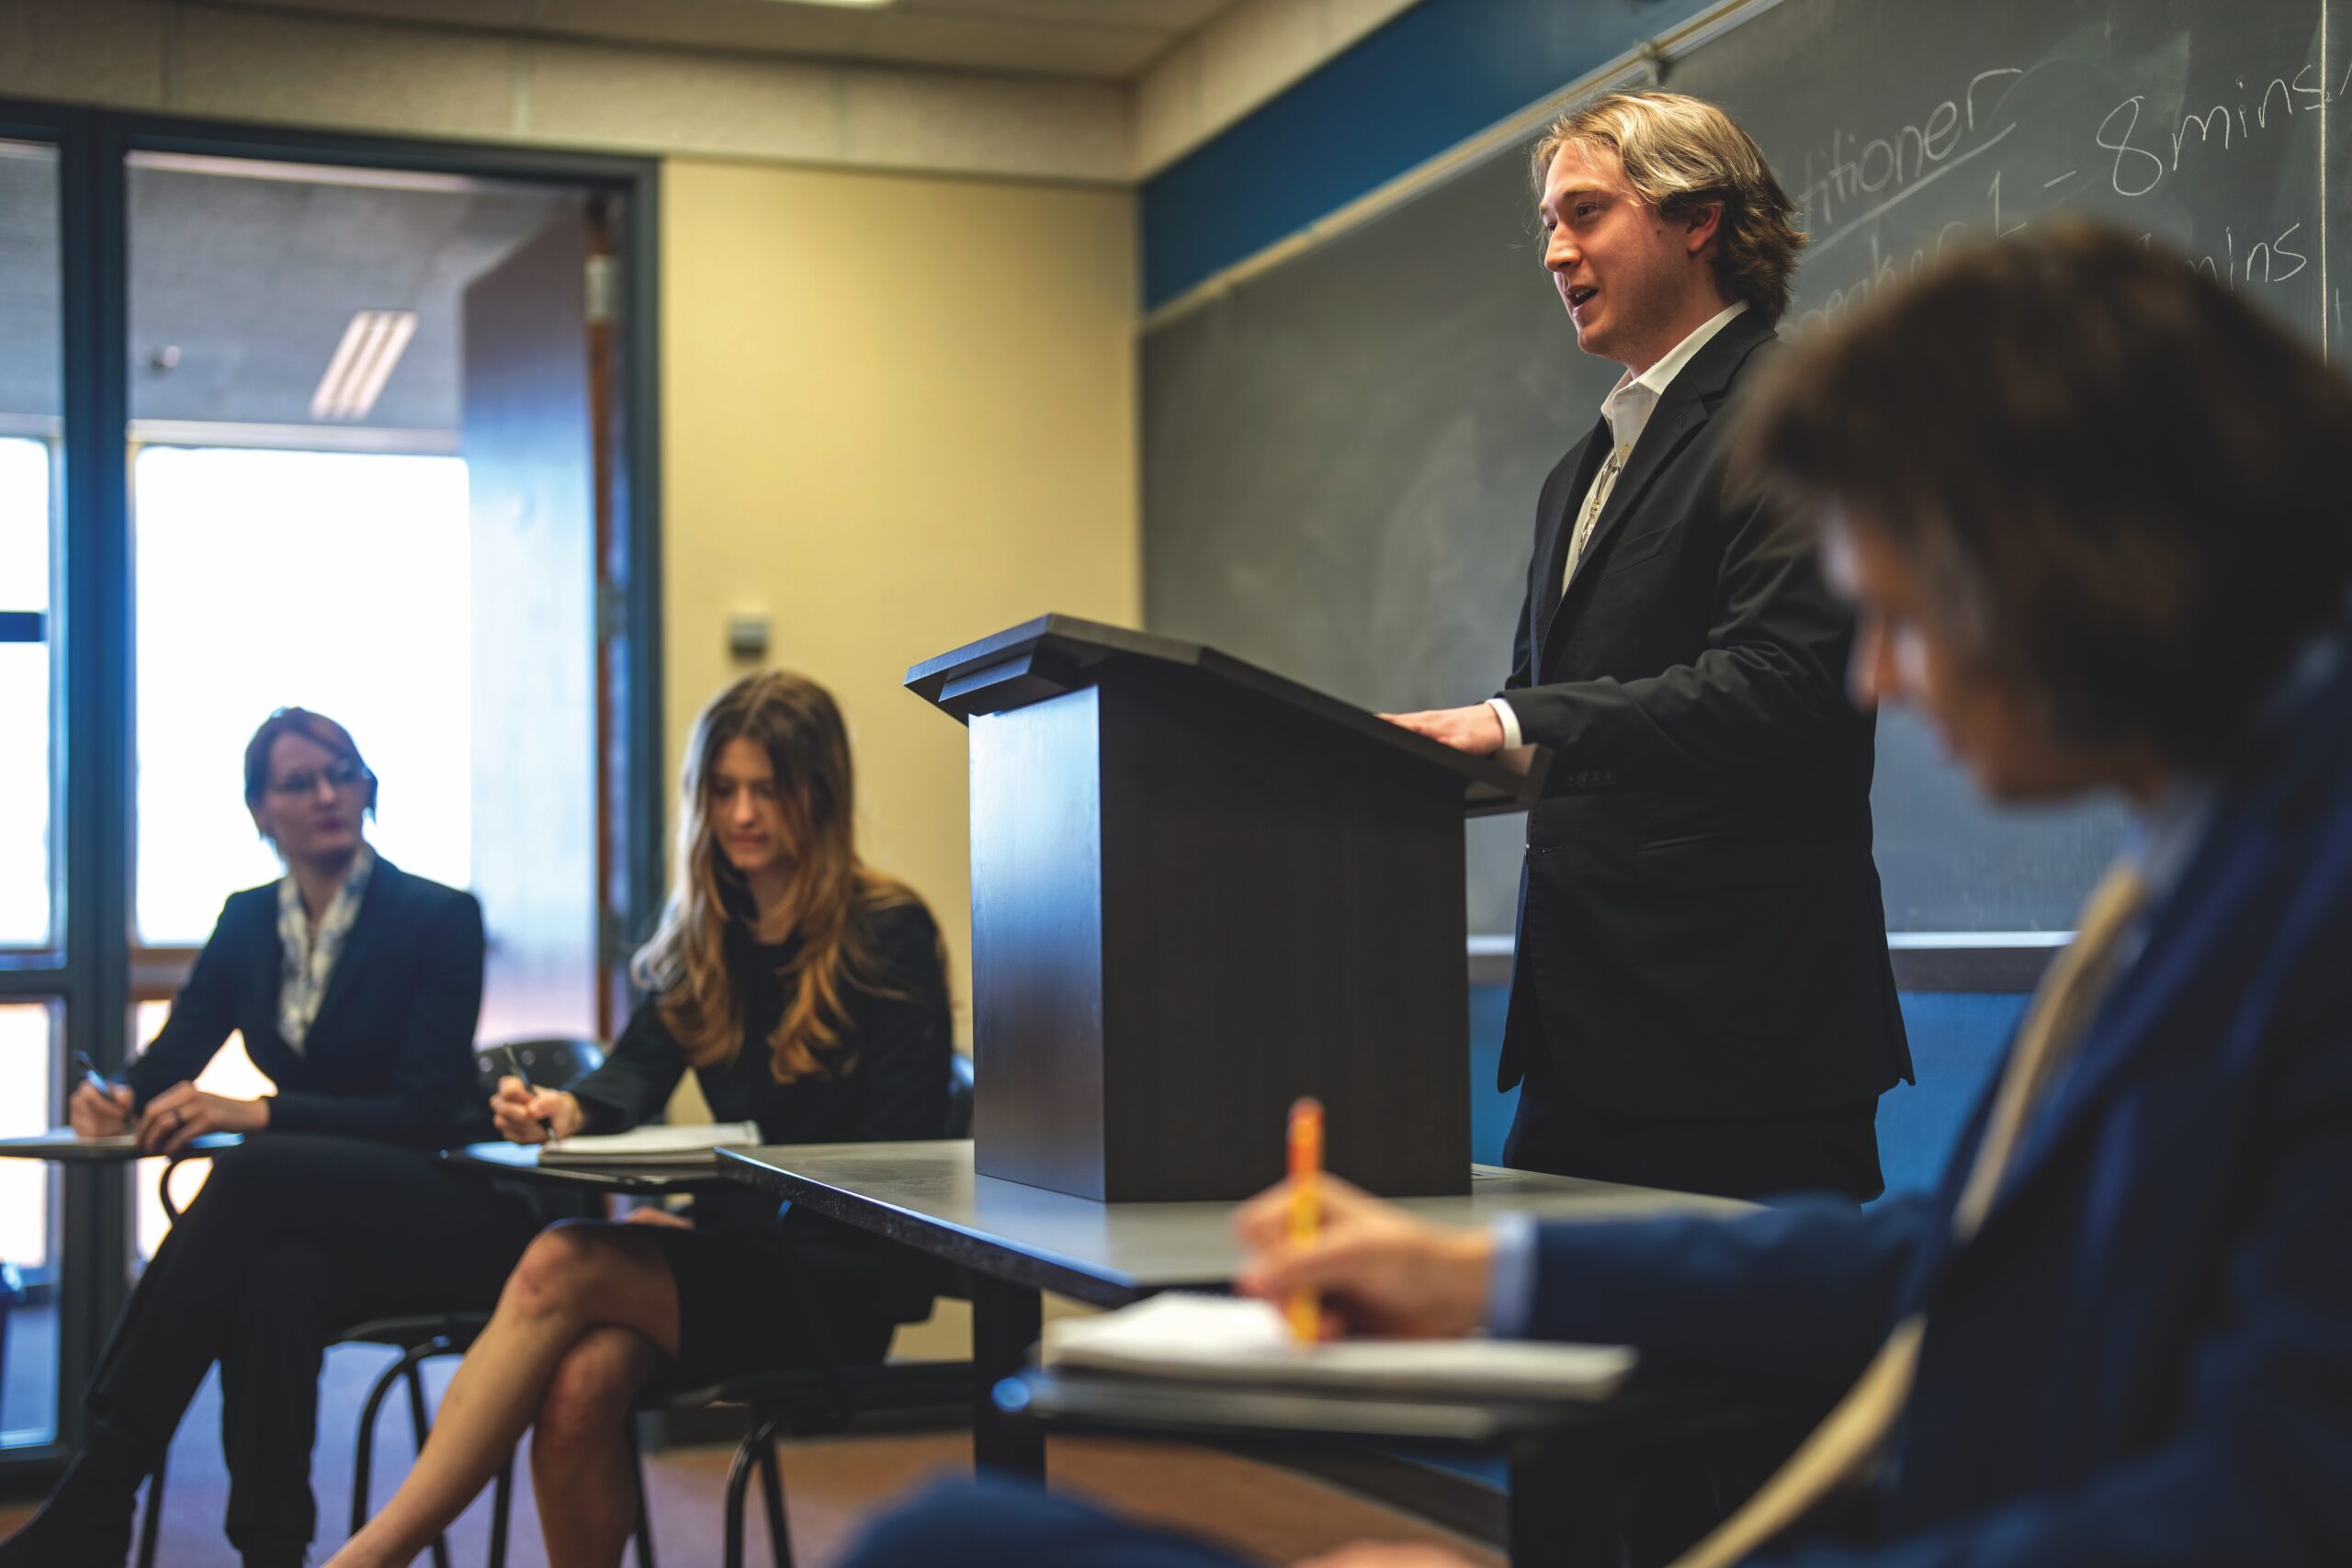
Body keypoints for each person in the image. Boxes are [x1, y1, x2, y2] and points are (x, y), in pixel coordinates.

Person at [838, 220, 2352, 1568]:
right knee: (946, 1530)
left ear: (2068, 553)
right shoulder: (2214, 859)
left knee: (940, 1542)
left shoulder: (2309, 900)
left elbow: (2277, 1506)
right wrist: (1482, 1268)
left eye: (1894, 605)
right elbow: (1940, 1259)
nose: (1877, 671)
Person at [1385, 91, 1908, 1201]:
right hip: (1586, 1036)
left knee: (1747, 1373)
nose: (1553, 251)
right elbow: (1546, 713)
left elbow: (1781, 687)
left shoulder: (1795, 410)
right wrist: (1391, 765)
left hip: (1741, 1039)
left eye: (1582, 212)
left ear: (1697, 219)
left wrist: (1515, 720)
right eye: (1545, 224)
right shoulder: (1576, 472)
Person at [327, 669, 953, 1568]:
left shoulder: (887, 932)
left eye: (765, 791)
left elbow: (901, 1160)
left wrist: (711, 1229)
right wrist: (564, 1109)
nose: (739, 814)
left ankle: (366, 1559)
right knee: (579, 1389)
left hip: (842, 1282)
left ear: (818, 793)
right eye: (723, 790)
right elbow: (632, 1076)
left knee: (562, 1259)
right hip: (748, 1259)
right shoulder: (710, 930)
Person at [0, 707, 555, 1568]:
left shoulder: (439, 916)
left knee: (256, 1172)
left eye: (345, 771)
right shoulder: (247, 920)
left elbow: (420, 1107)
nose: (329, 793)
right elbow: (169, 1059)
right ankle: (272, 1553)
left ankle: (99, 1490)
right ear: (260, 811)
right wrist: (109, 1095)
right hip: (313, 1220)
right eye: (300, 781)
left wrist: (256, 1111)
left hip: (444, 1204)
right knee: (273, 1277)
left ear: (370, 788)